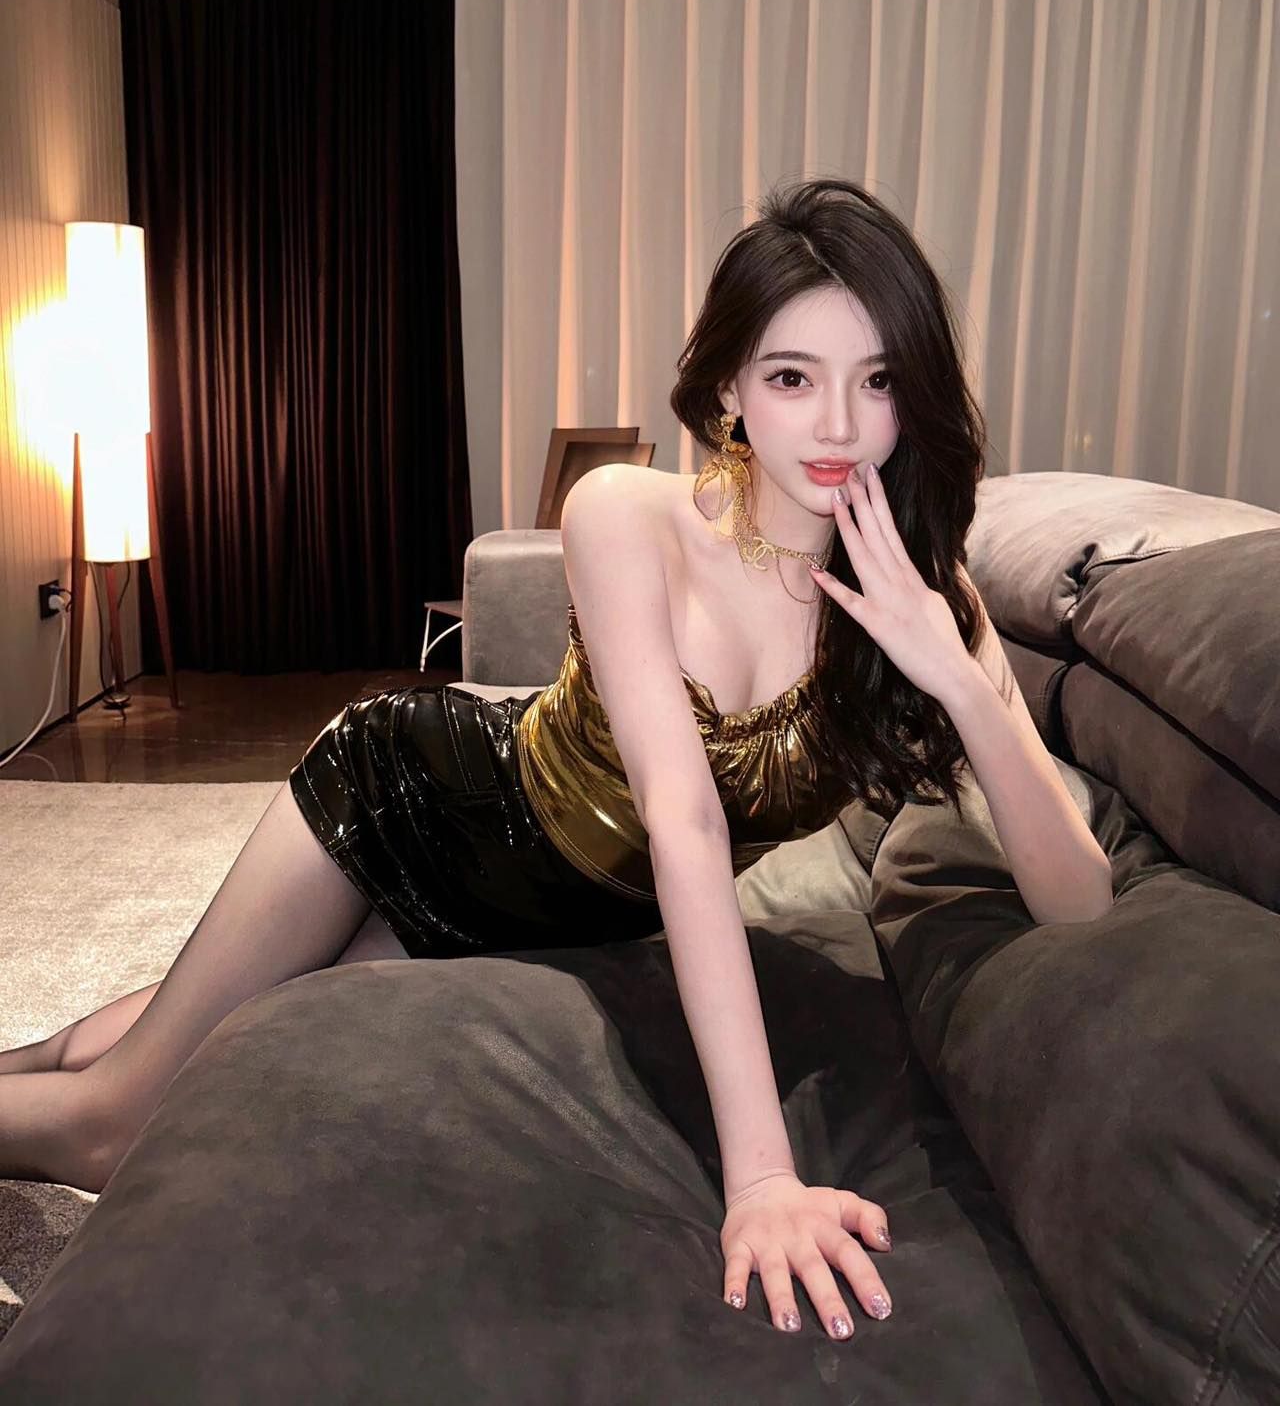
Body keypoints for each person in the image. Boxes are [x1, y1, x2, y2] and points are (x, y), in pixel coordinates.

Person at [0, 176, 1113, 1343]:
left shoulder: (930, 601)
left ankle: (48, 1052)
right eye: (792, 378)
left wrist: (958, 678)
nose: (837, 427)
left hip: (546, 922)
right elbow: (683, 822)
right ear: (729, 390)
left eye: (875, 380)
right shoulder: (626, 514)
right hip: (413, 806)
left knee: (170, 1044)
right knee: (116, 1127)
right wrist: (759, 1179)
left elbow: (1077, 900)